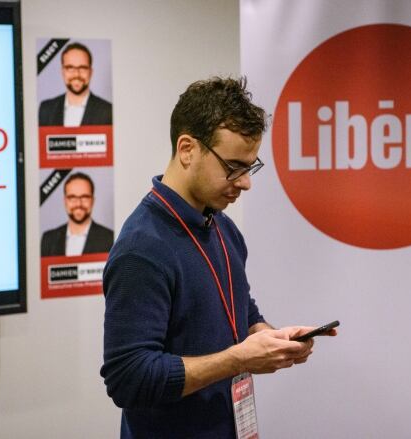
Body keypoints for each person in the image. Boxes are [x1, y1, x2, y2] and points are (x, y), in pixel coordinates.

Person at [100, 77, 337, 438]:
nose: (245, 183)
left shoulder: (223, 227)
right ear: (186, 148)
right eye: (233, 167)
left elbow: (241, 312)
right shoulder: (142, 248)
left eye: (250, 167)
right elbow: (129, 378)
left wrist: (272, 339)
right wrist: (239, 359)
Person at [38, 42, 113, 126]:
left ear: (91, 72)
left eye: (83, 68)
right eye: (70, 68)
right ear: (63, 72)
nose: (77, 74)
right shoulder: (46, 110)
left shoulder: (108, 111)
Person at [41, 172, 113, 256]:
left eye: (84, 197)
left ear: (92, 200)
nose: (78, 204)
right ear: (65, 201)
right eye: (72, 197)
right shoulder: (48, 239)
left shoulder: (109, 238)